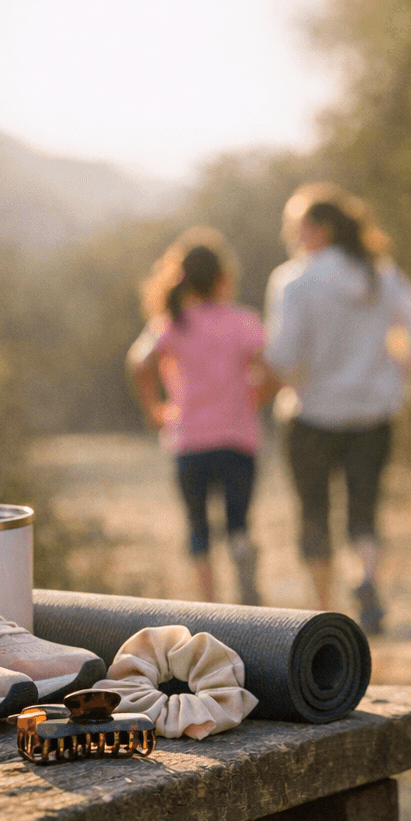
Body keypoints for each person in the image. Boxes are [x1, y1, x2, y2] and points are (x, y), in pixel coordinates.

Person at [263, 184, 411, 633]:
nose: (292, 234)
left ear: (319, 230)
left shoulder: (293, 280)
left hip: (312, 414)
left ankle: (324, 611)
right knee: (364, 509)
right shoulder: (378, 274)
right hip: (373, 412)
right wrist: (399, 368)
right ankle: (365, 578)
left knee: (314, 510)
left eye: (297, 225)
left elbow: (283, 356)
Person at [128, 227, 276, 605]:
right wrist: (254, 400)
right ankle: (246, 590)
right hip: (238, 440)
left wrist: (155, 411)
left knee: (198, 526)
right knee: (237, 522)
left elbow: (139, 362)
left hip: (189, 440)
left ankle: (208, 601)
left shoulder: (172, 324)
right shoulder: (243, 320)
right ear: (223, 277)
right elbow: (271, 371)